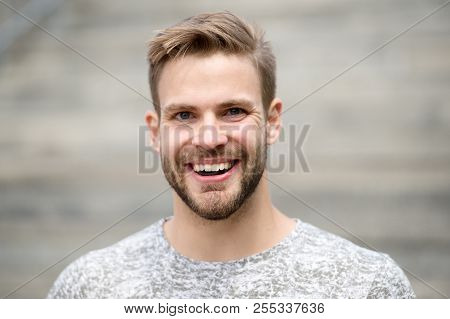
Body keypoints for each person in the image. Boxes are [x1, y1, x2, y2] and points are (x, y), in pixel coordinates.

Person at [47, 11, 415, 298]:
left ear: (272, 122)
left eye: (234, 111)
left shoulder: (366, 287)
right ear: (156, 133)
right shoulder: (88, 288)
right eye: (184, 115)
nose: (209, 138)